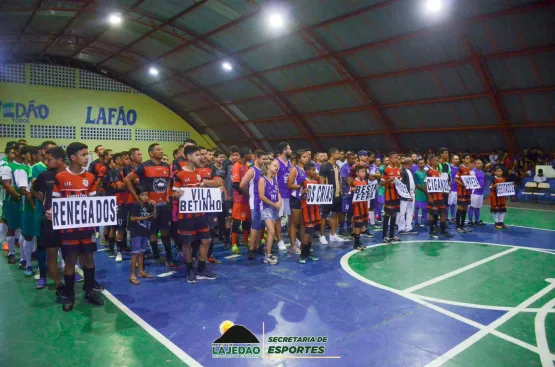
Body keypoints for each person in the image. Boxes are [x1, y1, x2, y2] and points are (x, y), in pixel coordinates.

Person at [52, 142, 104, 312]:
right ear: (73, 157)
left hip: (87, 228)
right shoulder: (60, 177)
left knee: (89, 260)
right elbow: (56, 202)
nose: (87, 157)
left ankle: (89, 292)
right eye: (83, 154)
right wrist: (51, 212)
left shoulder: (90, 177)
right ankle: (69, 295)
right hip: (68, 229)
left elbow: (94, 203)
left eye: (87, 154)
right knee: (70, 261)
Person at [173, 145, 220, 283]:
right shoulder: (179, 174)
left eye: (200, 155)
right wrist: (177, 195)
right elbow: (173, 194)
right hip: (186, 217)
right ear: (188, 157)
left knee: (206, 240)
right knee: (187, 243)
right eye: (197, 155)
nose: (200, 157)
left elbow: (204, 189)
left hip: (201, 214)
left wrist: (210, 189)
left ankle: (201, 269)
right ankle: (189, 271)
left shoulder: (200, 173)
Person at [125, 143, 174, 267]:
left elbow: (168, 182)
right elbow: (127, 180)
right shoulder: (143, 166)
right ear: (151, 153)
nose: (161, 151)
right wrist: (137, 197)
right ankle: (156, 254)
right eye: (158, 149)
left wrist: (168, 194)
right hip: (150, 207)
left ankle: (169, 257)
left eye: (162, 149)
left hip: (163, 206)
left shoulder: (166, 166)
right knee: (150, 232)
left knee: (165, 232)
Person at [31, 146, 66, 295]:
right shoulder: (45, 176)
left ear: (60, 160)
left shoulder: (72, 175)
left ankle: (71, 280)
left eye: (48, 159)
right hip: (50, 221)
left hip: (69, 222)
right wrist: (46, 204)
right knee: (51, 253)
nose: (45, 161)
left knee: (72, 254)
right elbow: (32, 190)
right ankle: (59, 285)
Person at [240, 150, 267, 260]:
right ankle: (250, 249)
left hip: (263, 201)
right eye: (263, 159)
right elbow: (242, 184)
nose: (265, 161)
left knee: (261, 225)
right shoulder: (252, 170)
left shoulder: (264, 170)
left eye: (266, 159)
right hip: (255, 201)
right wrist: (250, 195)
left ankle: (257, 246)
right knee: (255, 226)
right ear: (256, 158)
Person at [1, 143, 25, 265]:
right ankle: (11, 253)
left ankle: (24, 256)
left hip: (26, 201)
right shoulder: (8, 167)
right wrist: (19, 197)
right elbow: (7, 185)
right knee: (12, 227)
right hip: (13, 202)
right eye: (21, 150)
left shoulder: (29, 166)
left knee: (24, 230)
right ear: (15, 152)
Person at [319, 147, 347, 244]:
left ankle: (333, 235)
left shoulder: (337, 167)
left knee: (335, 215)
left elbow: (339, 180)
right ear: (332, 154)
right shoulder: (325, 167)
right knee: (324, 216)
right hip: (328, 195)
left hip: (338, 195)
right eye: (338, 153)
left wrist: (341, 192)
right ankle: (322, 236)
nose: (339, 155)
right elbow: (321, 180)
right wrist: (324, 194)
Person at [128, 186, 154, 285]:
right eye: (143, 195)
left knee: (142, 252)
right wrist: (145, 217)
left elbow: (153, 215)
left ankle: (140, 271)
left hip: (144, 231)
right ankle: (132, 274)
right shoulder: (135, 205)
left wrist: (154, 206)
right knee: (135, 253)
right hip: (136, 232)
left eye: (147, 195)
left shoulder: (147, 205)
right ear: (138, 196)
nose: (145, 197)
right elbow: (132, 218)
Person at [287, 149, 311, 254]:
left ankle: (302, 244)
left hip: (305, 199)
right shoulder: (294, 169)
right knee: (294, 223)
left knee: (303, 223)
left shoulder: (309, 169)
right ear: (299, 159)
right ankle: (293, 246)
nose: (307, 158)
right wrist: (302, 187)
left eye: (307, 156)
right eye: (304, 157)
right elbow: (289, 185)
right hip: (296, 198)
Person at [258, 160, 281, 265]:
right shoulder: (262, 180)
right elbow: (261, 196)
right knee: (271, 231)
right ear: (268, 166)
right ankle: (267, 256)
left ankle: (269, 253)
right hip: (266, 208)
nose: (277, 167)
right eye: (275, 165)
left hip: (274, 208)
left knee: (272, 232)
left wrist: (279, 201)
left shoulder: (274, 179)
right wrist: (274, 204)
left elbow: (278, 192)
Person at [230, 147, 253, 254]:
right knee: (236, 221)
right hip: (239, 199)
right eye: (250, 153)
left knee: (247, 221)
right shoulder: (236, 166)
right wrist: (245, 193)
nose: (252, 155)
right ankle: (234, 243)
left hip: (247, 199)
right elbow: (235, 184)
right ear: (245, 155)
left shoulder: (247, 166)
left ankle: (245, 241)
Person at [425, 156, 453, 239]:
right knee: (432, 214)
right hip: (432, 197)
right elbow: (426, 185)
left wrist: (446, 189)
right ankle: (431, 231)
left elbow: (441, 184)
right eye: (437, 161)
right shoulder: (429, 172)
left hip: (440, 197)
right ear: (432, 162)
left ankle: (443, 231)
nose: (438, 162)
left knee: (443, 213)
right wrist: (429, 197)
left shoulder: (439, 172)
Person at [299, 163, 320, 264]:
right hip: (307, 209)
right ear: (307, 171)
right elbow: (300, 197)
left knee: (312, 232)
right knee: (308, 231)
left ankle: (308, 253)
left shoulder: (316, 181)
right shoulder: (304, 182)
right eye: (313, 170)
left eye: (315, 169)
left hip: (315, 208)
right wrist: (303, 193)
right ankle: (302, 254)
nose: (315, 171)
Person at [275, 142, 293, 250]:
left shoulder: (289, 162)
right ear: (284, 150)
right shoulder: (276, 162)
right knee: (279, 218)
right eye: (289, 149)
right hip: (280, 194)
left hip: (289, 193)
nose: (291, 151)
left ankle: (293, 239)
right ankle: (280, 240)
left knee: (292, 218)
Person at [380, 152, 401, 243]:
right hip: (389, 197)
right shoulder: (386, 170)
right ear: (391, 159)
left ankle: (392, 235)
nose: (397, 159)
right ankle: (384, 236)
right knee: (387, 215)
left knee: (394, 215)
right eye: (395, 158)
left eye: (398, 158)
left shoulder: (398, 169)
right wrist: (389, 180)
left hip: (397, 196)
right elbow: (381, 183)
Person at [351, 165, 369, 250]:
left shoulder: (364, 181)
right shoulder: (354, 182)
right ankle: (356, 243)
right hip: (357, 207)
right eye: (362, 171)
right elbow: (351, 190)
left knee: (362, 224)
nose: (364, 173)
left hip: (364, 206)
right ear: (357, 173)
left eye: (364, 171)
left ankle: (358, 241)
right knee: (358, 225)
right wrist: (352, 189)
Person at [397, 158, 417, 235]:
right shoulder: (401, 171)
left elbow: (412, 181)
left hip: (412, 194)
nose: (412, 163)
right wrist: (407, 195)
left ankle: (409, 227)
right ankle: (401, 228)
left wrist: (414, 189)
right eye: (411, 162)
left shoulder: (410, 170)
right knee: (402, 212)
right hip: (405, 195)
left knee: (410, 211)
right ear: (408, 162)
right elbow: (402, 185)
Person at [455, 153, 473, 233]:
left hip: (467, 192)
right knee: (460, 208)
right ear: (463, 159)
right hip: (461, 192)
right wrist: (463, 184)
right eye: (467, 158)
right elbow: (456, 179)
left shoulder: (469, 169)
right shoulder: (461, 168)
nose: (468, 160)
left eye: (469, 158)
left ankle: (462, 226)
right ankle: (458, 226)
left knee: (465, 208)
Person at [339, 152, 357, 235]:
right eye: (352, 159)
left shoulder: (355, 167)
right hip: (346, 192)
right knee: (343, 211)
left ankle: (349, 226)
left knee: (351, 211)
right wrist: (355, 183)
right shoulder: (344, 167)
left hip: (353, 192)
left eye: (355, 159)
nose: (354, 160)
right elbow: (346, 180)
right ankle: (341, 228)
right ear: (348, 159)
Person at [468, 159, 485, 226]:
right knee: (472, 206)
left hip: (480, 192)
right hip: (474, 192)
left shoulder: (482, 172)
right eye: (479, 163)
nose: (481, 164)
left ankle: (477, 220)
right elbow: (471, 182)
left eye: (481, 163)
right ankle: (470, 221)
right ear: (474, 164)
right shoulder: (472, 172)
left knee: (478, 207)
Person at [413, 158, 428, 228]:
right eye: (421, 163)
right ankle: (416, 222)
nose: (422, 164)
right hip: (419, 192)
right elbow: (417, 184)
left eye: (423, 163)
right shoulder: (416, 173)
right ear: (418, 165)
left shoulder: (427, 172)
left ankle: (425, 221)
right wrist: (424, 190)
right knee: (416, 208)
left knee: (425, 208)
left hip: (426, 193)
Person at [447, 155, 460, 222]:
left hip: (456, 189)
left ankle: (453, 217)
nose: (457, 160)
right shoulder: (449, 167)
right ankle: (446, 217)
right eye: (456, 159)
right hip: (450, 189)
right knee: (448, 204)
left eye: (458, 159)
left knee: (454, 204)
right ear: (452, 160)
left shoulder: (459, 168)